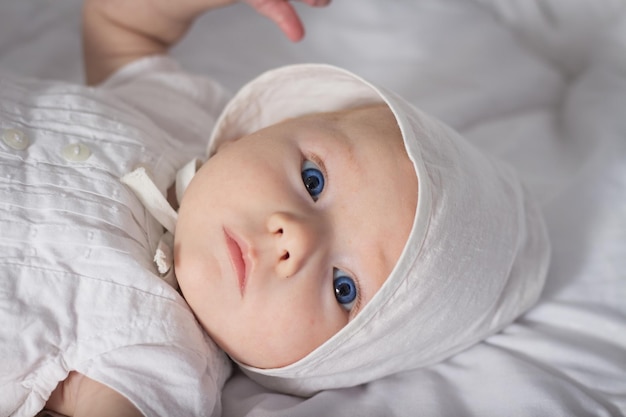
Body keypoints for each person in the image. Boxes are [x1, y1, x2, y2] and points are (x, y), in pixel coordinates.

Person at [0, 0, 550, 416]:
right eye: (314, 180)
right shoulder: (176, 115)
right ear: (254, 134)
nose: (294, 238)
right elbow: (122, 25)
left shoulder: (160, 362)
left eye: (344, 288)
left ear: (299, 366)